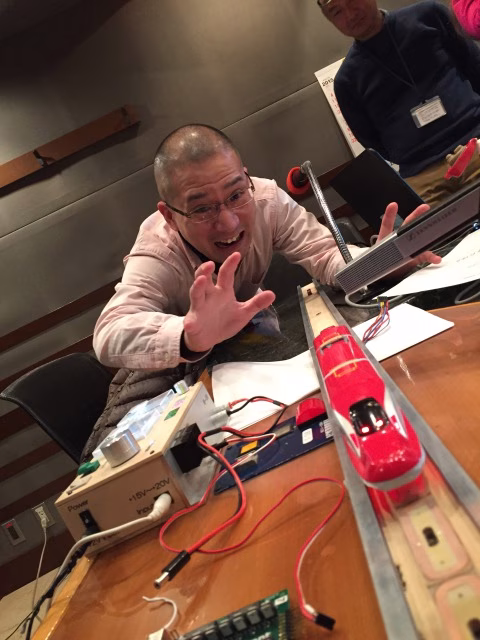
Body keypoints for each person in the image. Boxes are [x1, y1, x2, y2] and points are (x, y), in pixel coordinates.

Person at [93, 124, 439, 372]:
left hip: (255, 341)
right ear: (170, 216)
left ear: (246, 178)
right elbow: (110, 332)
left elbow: (325, 256)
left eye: (235, 194)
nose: (229, 222)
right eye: (201, 208)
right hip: (189, 365)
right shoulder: (157, 251)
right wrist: (189, 336)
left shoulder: (267, 200)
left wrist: (383, 260)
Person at [319, 0, 480, 206]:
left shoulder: (428, 15)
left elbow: (474, 65)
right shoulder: (347, 81)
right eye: (336, 12)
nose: (350, 15)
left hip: (473, 141)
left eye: (352, 1)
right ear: (330, 21)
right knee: (422, 222)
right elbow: (371, 141)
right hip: (420, 174)